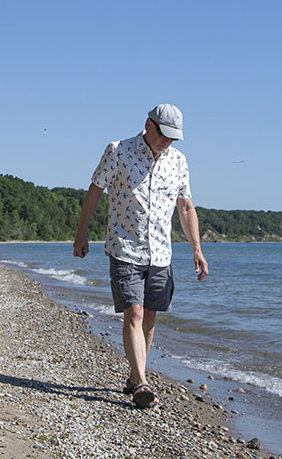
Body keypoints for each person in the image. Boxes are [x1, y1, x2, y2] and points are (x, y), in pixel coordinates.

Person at [72, 103, 208, 409]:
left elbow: (185, 208)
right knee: (133, 312)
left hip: (161, 253)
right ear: (149, 124)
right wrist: (81, 233)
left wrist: (197, 250)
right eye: (164, 135)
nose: (167, 142)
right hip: (125, 247)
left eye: (173, 138)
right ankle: (142, 384)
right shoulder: (118, 151)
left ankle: (135, 377)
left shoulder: (179, 162)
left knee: (149, 318)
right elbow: (94, 191)